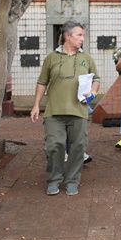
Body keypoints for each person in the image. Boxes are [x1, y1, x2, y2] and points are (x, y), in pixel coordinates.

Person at [30, 21, 100, 196]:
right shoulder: (51, 58)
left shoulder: (87, 58)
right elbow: (42, 82)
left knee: (78, 147)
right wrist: (36, 105)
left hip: (78, 111)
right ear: (67, 36)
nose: (82, 39)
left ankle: (72, 180)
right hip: (54, 112)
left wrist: (92, 94)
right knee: (54, 145)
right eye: (79, 35)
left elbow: (96, 80)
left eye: (83, 35)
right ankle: (54, 179)